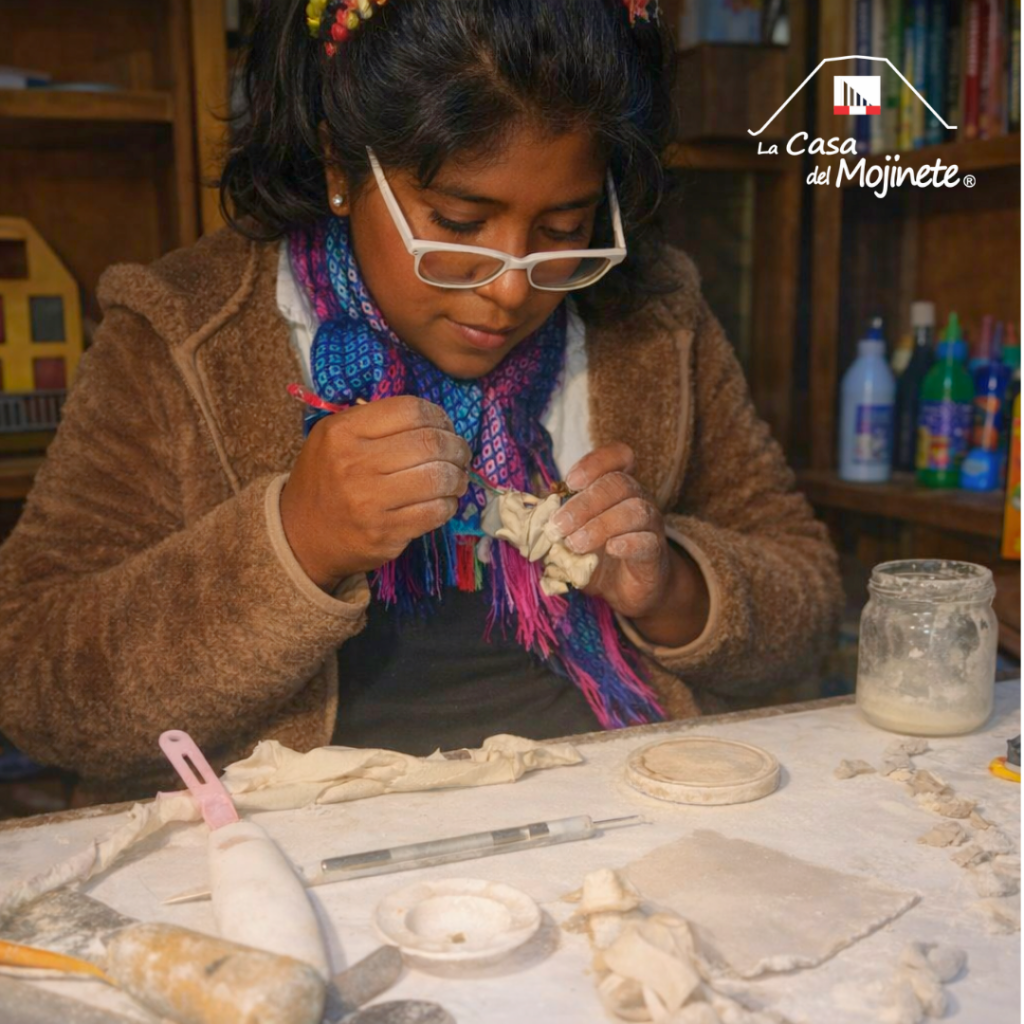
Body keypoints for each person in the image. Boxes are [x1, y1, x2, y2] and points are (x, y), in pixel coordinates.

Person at [0, 0, 841, 803]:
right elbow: (36, 682)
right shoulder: (182, 331)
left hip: (609, 807)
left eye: (560, 230)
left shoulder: (650, 317)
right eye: (458, 223)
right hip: (304, 849)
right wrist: (295, 542)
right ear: (340, 166)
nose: (511, 289)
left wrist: (671, 589)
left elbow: (807, 599)